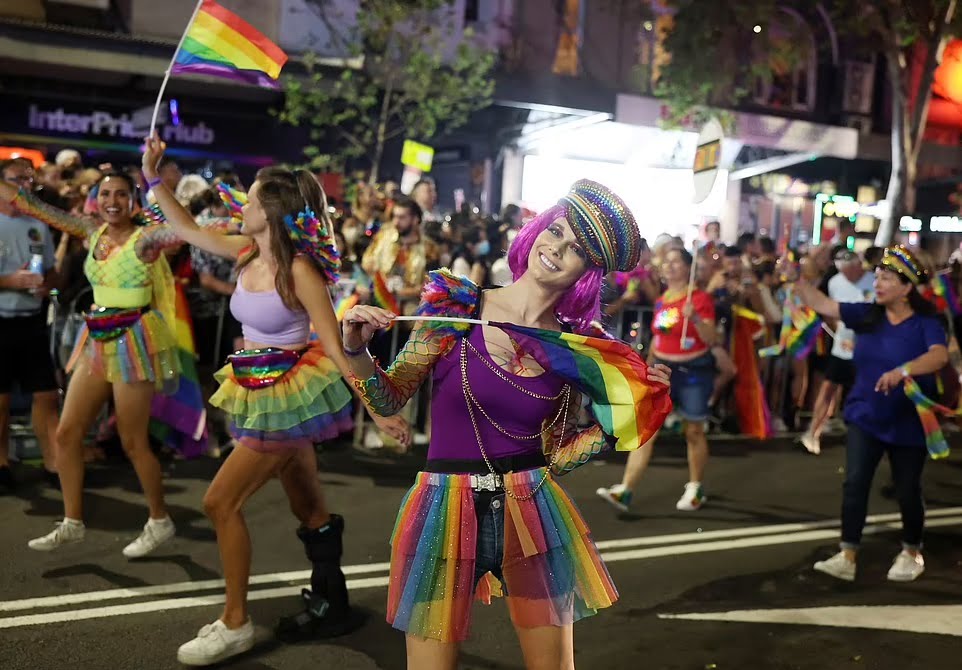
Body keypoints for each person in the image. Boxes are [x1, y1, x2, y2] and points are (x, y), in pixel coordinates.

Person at [342, 179, 671, 669]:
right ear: (538, 229)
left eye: (576, 249)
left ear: (589, 270)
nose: (556, 249)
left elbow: (557, 452)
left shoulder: (575, 348)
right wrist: (357, 349)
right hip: (443, 508)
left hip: (531, 507)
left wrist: (620, 421)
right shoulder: (458, 309)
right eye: (555, 231)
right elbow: (390, 396)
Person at [141, 136, 408, 666]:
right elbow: (188, 228)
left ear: (274, 211)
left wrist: (379, 409)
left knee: (219, 503)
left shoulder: (300, 271)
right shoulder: (246, 248)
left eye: (254, 196)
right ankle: (332, 601)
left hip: (286, 396)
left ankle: (235, 623)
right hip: (255, 388)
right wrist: (152, 179)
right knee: (307, 502)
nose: (244, 199)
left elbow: (333, 347)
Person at [0, 171, 184, 556]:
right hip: (96, 339)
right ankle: (72, 522)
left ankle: (159, 520)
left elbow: (188, 229)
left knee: (133, 442)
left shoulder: (146, 239)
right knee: (67, 434)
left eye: (120, 194)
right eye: (105, 194)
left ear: (133, 201)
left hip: (134, 340)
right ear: (95, 200)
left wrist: (154, 178)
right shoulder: (89, 229)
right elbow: (31, 203)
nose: (112, 201)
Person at [793, 246, 948, 583]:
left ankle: (911, 550)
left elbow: (939, 357)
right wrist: (798, 278)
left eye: (887, 278)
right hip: (865, 414)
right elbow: (821, 304)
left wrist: (903, 370)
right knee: (855, 482)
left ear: (907, 288)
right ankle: (847, 553)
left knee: (907, 488)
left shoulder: (926, 322)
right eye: (877, 277)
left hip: (909, 420)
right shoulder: (866, 314)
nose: (877, 283)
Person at [597, 246, 716, 512]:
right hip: (663, 369)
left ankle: (696, 488)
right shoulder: (663, 300)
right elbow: (658, 338)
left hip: (693, 372)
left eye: (676, 261)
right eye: (667, 262)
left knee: (693, 431)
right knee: (648, 429)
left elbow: (711, 338)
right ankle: (626, 489)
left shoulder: (699, 299)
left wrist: (694, 317)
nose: (670, 266)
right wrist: (648, 367)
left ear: (688, 267)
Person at [0, 159, 60, 492]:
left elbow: (51, 273)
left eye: (29, 181)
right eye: (16, 179)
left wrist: (45, 284)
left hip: (32, 321)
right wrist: (8, 281)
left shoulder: (37, 224)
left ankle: (54, 464)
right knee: (1, 401)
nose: (24, 186)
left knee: (47, 395)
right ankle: (2, 465)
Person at [799, 248, 875, 455]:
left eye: (850, 270)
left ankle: (866, 437)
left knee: (865, 392)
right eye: (842, 271)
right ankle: (813, 432)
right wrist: (837, 332)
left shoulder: (874, 281)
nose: (847, 275)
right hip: (841, 348)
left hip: (867, 350)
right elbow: (827, 310)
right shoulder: (834, 283)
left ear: (858, 265)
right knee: (828, 388)